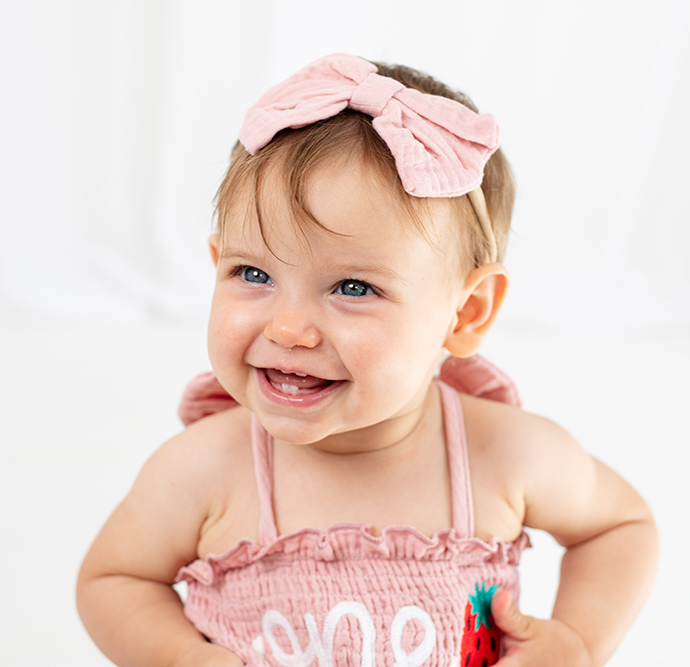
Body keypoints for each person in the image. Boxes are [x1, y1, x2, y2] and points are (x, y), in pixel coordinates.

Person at [76, 54, 658, 667]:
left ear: (465, 313)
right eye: (254, 274)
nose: (287, 329)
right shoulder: (204, 469)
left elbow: (620, 526)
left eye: (353, 288)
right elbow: (114, 579)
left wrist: (578, 643)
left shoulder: (507, 456)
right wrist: (179, 657)